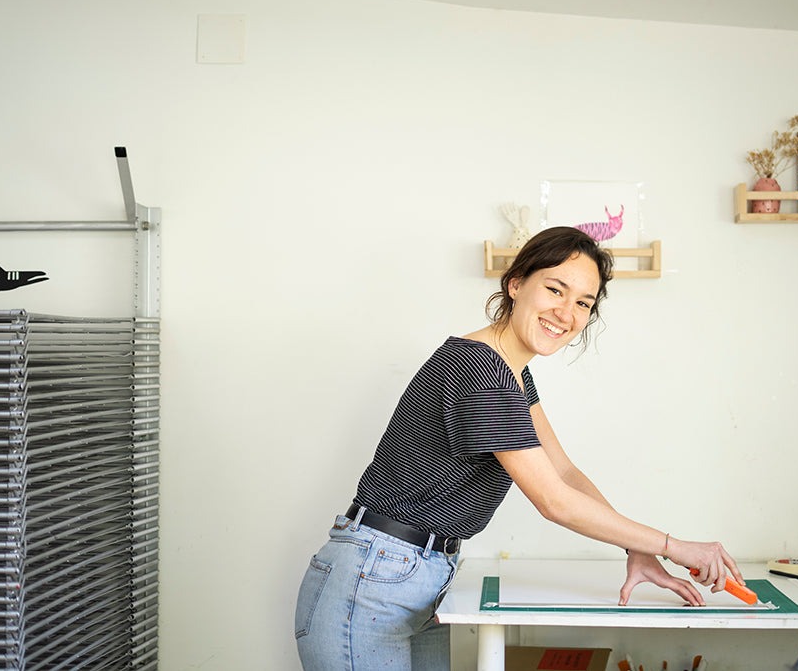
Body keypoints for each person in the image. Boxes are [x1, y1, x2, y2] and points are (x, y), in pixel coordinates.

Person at [293, 226, 745, 670]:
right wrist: (673, 546)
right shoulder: (478, 370)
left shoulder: (511, 373)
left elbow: (564, 473)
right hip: (375, 577)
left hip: (414, 574)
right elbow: (553, 500)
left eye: (583, 302)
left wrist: (636, 548)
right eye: (555, 289)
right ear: (515, 284)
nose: (566, 312)